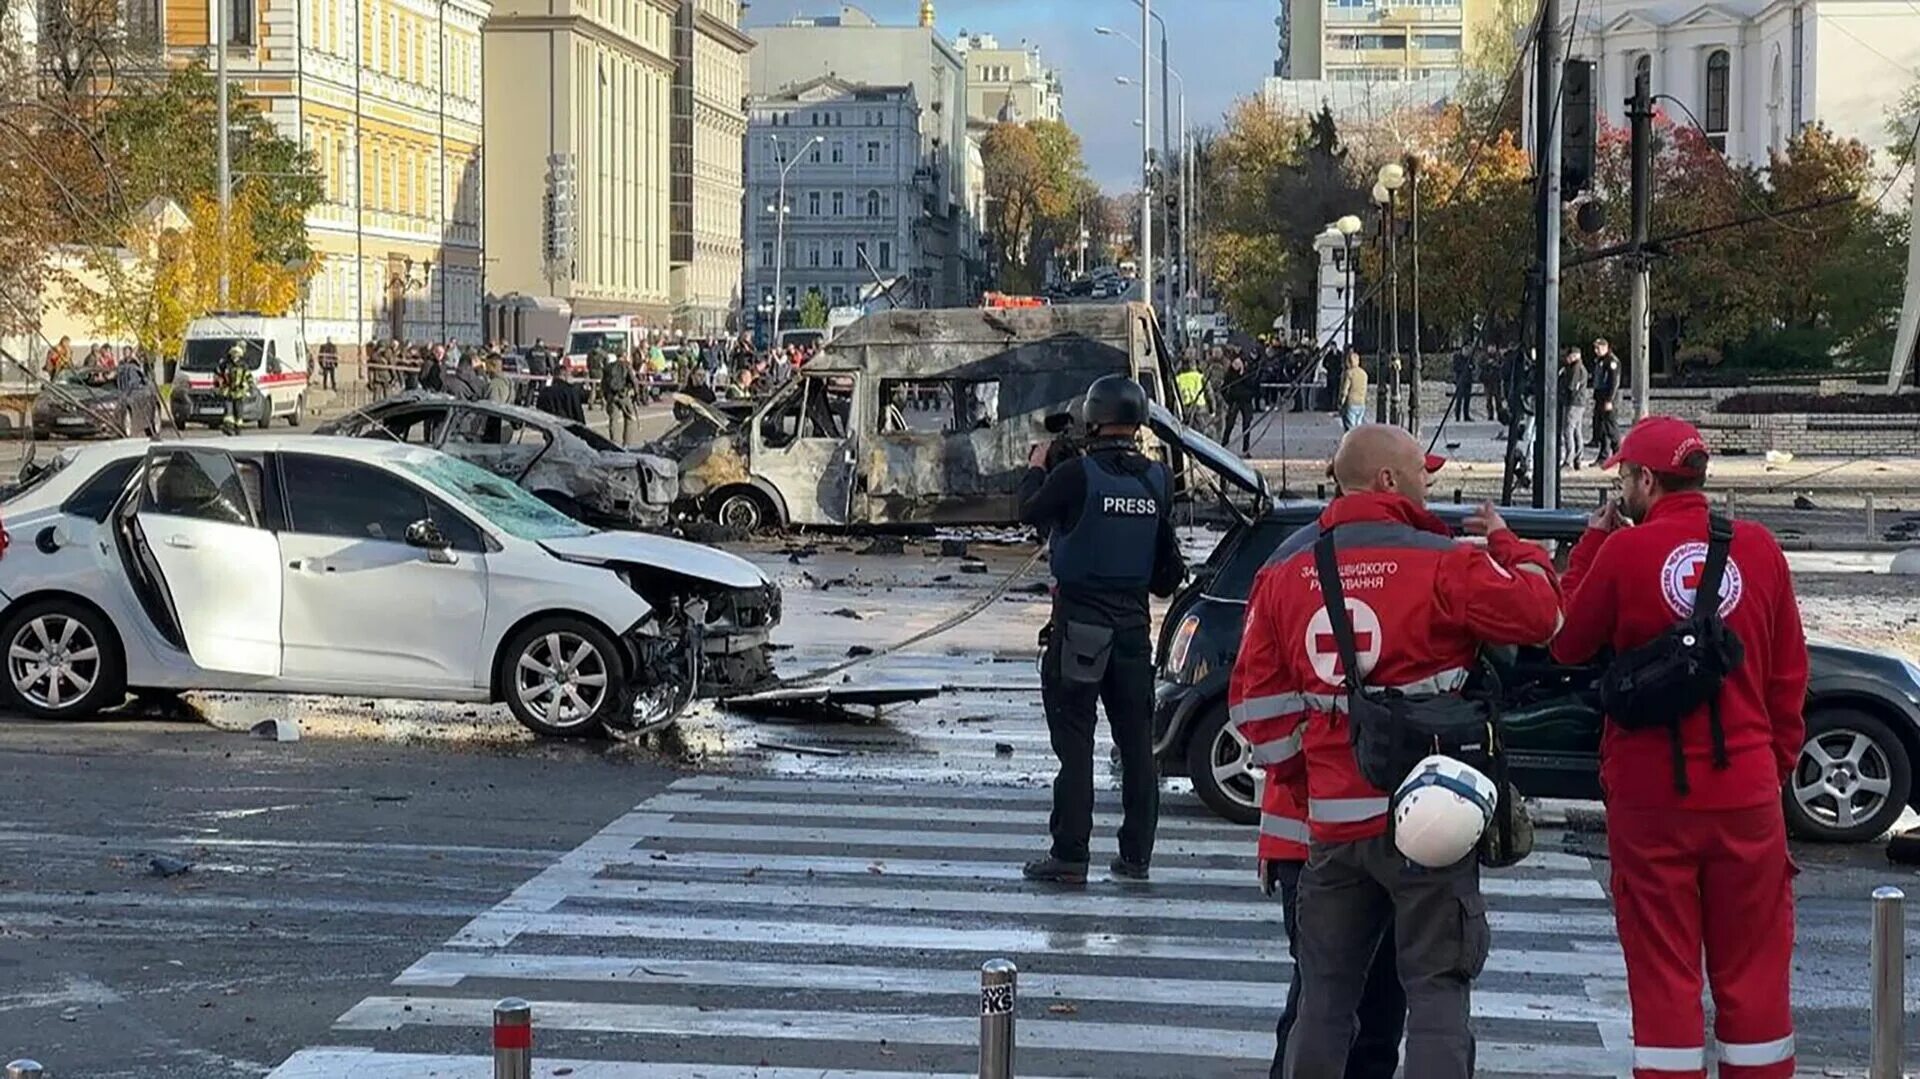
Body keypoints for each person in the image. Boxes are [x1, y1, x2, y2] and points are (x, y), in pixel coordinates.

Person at [1230, 423, 1562, 1079]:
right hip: (1432, 821)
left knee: (1324, 999)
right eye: (1420, 470)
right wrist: (1508, 541)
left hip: (1332, 826)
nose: (1427, 482)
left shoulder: (1290, 572)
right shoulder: (1444, 559)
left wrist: (1310, 779)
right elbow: (1543, 614)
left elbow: (1255, 710)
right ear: (1388, 480)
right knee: (1437, 991)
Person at [1550, 416, 1806, 1079]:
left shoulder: (1623, 553)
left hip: (1650, 794)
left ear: (1645, 479)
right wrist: (1770, 770)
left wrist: (1589, 547)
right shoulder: (1760, 549)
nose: (1621, 491)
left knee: (1664, 974)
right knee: (1754, 974)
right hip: (1746, 790)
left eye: (1624, 478)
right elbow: (1788, 676)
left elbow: (1568, 641)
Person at [1017, 375, 1185, 884]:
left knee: (1076, 749)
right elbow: (1167, 576)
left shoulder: (1077, 475)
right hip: (1134, 632)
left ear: (1093, 418)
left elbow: (1029, 512)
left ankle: (1070, 855)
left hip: (1079, 631)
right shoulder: (1157, 479)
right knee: (1136, 748)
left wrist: (1035, 468)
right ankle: (1136, 857)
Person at [1219, 353, 1260, 455]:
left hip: (1246, 400)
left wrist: (1243, 373)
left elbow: (1253, 384)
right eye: (1234, 364)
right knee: (1230, 424)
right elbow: (1224, 387)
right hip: (1235, 400)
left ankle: (1246, 449)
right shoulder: (1230, 373)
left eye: (1238, 364)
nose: (1236, 365)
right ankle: (1224, 445)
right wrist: (1228, 400)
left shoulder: (1247, 371)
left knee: (1246, 425)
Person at [1559, 347, 1591, 470]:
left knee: (1568, 430)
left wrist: (1563, 395)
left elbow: (1571, 387)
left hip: (1574, 403)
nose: (1567, 359)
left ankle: (1569, 460)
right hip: (1578, 403)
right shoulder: (1575, 368)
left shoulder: (1576, 369)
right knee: (1577, 431)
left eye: (1569, 356)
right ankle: (1578, 458)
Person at [214, 343, 255, 436]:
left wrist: (251, 388)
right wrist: (218, 384)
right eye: (233, 354)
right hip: (228, 391)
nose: (234, 356)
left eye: (236, 354)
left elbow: (249, 377)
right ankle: (228, 427)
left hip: (239, 392)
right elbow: (218, 374)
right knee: (228, 411)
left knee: (238, 411)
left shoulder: (243, 365)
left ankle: (238, 429)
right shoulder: (225, 364)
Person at [1592, 337, 1622, 459]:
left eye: (1598, 348)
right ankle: (1603, 455)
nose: (1596, 350)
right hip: (1600, 397)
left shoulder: (1612, 361)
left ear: (1605, 347)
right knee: (1602, 427)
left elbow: (1614, 382)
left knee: (1610, 426)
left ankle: (1618, 452)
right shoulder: (1600, 360)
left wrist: (1610, 400)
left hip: (1609, 398)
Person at [116, 351, 157, 437]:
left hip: (134, 390)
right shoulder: (121, 363)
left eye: (126, 352)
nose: (125, 354)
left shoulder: (133, 364)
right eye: (124, 352)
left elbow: (137, 378)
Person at [603, 349, 637, 444]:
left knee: (613, 420)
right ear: (624, 355)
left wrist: (606, 396)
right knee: (630, 418)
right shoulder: (627, 366)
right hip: (624, 395)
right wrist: (636, 395)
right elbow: (634, 381)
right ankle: (627, 443)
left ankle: (614, 442)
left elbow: (604, 384)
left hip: (612, 396)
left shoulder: (609, 367)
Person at [1337, 349, 1369, 431]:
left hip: (1351, 403)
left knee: (1350, 429)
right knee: (1358, 428)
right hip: (1361, 403)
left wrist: (1341, 402)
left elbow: (1345, 390)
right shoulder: (1364, 374)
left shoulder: (1349, 373)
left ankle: (1351, 443)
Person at [1175, 356, 1209, 425]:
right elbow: (1209, 393)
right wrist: (1212, 411)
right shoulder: (1199, 377)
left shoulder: (1178, 379)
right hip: (1200, 409)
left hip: (1184, 409)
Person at [1450, 348, 1476, 422]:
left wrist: (1471, 367)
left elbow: (1473, 366)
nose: (1467, 352)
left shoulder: (1469, 358)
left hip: (1468, 380)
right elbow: (1455, 367)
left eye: (1468, 350)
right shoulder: (1457, 357)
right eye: (1465, 350)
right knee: (1459, 399)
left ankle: (1466, 415)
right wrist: (1464, 368)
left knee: (1467, 399)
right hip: (1460, 381)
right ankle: (1457, 416)